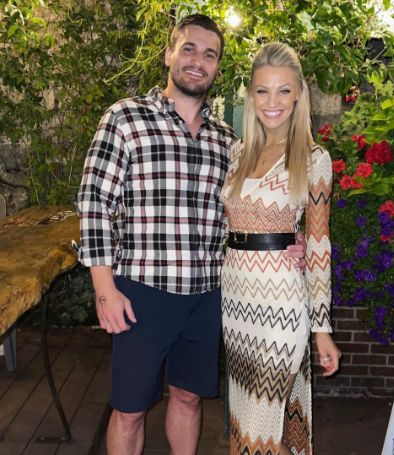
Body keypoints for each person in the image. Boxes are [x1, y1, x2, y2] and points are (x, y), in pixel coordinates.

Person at [77, 14, 306, 455]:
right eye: (188, 49)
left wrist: (286, 241)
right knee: (129, 409)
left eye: (209, 54)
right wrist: (104, 288)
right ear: (168, 54)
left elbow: (244, 212)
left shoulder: (228, 142)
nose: (198, 61)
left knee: (188, 396)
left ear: (217, 67)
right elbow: (94, 204)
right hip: (140, 291)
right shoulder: (125, 119)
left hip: (206, 295)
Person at [221, 42, 341, 455]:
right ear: (250, 95)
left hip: (280, 305)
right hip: (235, 297)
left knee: (262, 423)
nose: (272, 102)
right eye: (262, 91)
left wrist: (322, 329)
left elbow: (320, 246)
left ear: (299, 96)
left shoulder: (313, 158)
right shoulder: (238, 153)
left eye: (284, 91)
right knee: (242, 418)